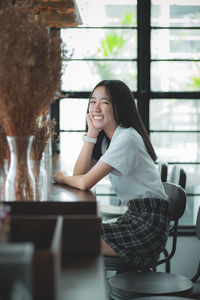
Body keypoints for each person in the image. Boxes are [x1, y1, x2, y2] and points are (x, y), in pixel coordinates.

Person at [53, 79, 170, 269]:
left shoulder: (126, 137)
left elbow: (83, 183)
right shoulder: (109, 139)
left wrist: (61, 177)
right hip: (134, 217)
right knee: (68, 234)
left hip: (147, 225)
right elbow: (80, 173)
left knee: (67, 238)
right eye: (93, 101)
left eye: (105, 102)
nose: (96, 108)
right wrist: (92, 132)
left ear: (119, 107)